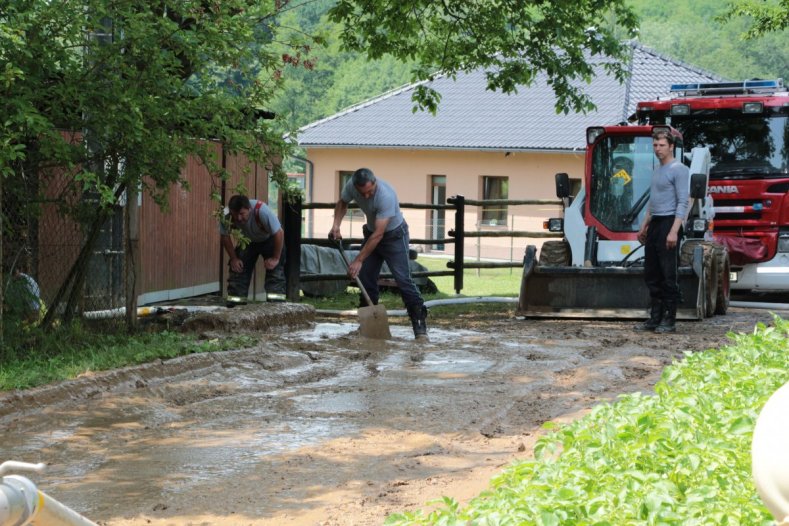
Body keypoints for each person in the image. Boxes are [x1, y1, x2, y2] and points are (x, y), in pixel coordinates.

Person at [329, 168, 428, 340]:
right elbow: (342, 203)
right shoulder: (351, 186)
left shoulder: (385, 195)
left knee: (403, 280)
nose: (366, 196)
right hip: (371, 233)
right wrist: (336, 225)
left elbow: (379, 235)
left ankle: (419, 326)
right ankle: (368, 327)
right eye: (363, 193)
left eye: (370, 192)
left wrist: (359, 259)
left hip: (394, 236)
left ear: (375, 183)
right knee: (366, 278)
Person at [634, 130, 689, 333]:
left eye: (662, 145)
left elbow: (683, 202)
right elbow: (653, 201)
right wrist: (644, 225)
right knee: (652, 272)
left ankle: (669, 319)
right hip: (656, 223)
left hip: (669, 222)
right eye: (655, 145)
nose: (658, 149)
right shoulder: (658, 170)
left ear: (671, 146)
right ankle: (654, 318)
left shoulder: (679, 169)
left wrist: (674, 231)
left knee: (668, 273)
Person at [220, 195, 286, 305]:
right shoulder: (225, 214)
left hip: (269, 239)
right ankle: (235, 307)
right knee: (237, 269)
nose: (238, 218)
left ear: (249, 209)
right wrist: (234, 259)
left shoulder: (262, 211)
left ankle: (276, 306)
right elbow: (225, 236)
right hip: (247, 240)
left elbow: (279, 233)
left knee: (275, 272)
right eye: (235, 214)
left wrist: (276, 258)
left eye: (242, 214)